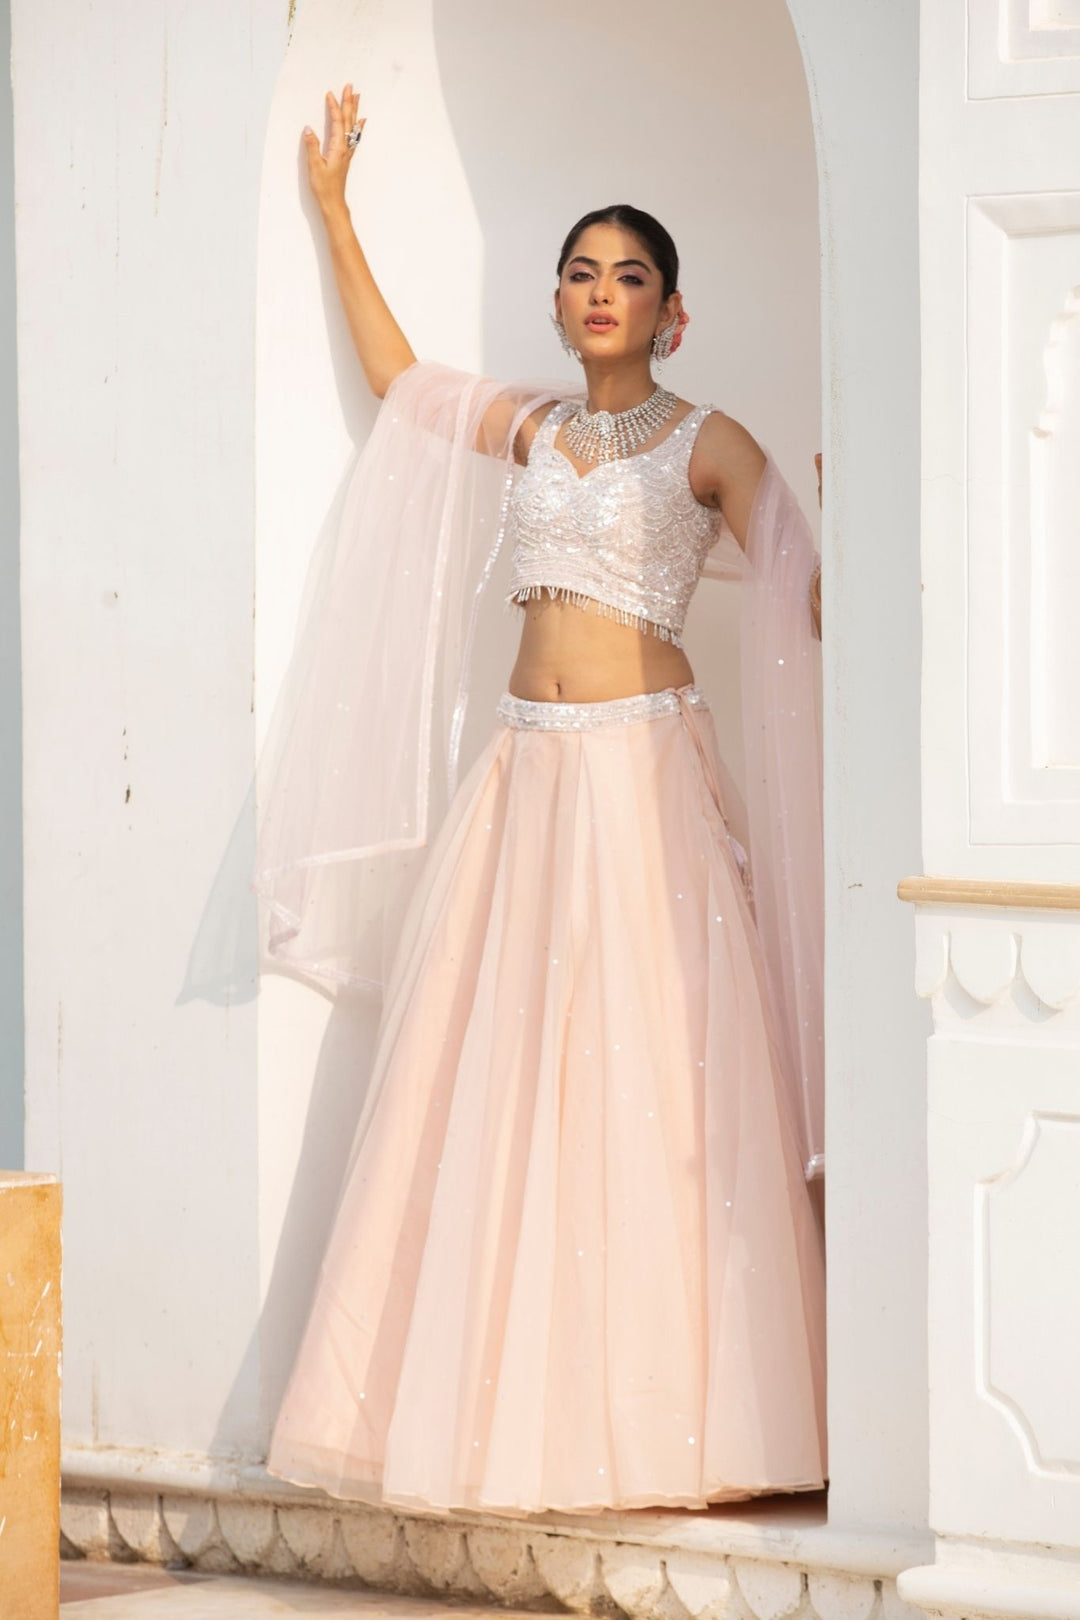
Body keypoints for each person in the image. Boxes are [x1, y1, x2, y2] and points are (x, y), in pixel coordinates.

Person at [253, 83, 827, 1517]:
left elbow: (808, 593)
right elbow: (402, 383)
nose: (601, 291)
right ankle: (498, 1423)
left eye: (629, 275)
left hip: (644, 774)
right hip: (525, 770)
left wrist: (863, 511)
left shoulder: (709, 442)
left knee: (648, 1068)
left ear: (672, 313)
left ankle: (680, 1429)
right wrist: (334, 216)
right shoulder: (532, 428)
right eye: (580, 271)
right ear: (559, 302)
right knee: (498, 1073)